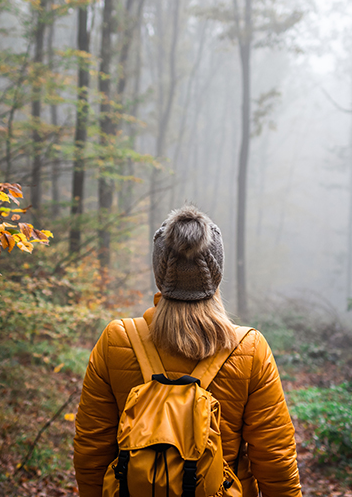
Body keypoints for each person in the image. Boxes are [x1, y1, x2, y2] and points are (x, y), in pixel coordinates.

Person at [73, 205, 301, 497]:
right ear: (216, 274)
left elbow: (91, 450)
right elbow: (275, 458)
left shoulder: (116, 340)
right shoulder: (250, 349)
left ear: (160, 272)